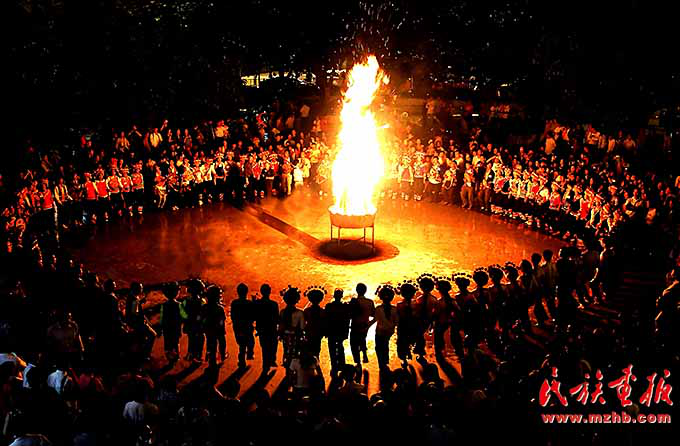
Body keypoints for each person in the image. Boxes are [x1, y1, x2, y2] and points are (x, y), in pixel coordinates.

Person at [433, 277, 461, 358]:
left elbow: (436, 313)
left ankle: (439, 350)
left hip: (442, 320)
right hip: (451, 320)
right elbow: (458, 311)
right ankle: (458, 349)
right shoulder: (452, 300)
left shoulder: (439, 302)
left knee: (438, 334)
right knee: (454, 335)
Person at [324, 288, 350, 375]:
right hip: (340, 331)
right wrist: (346, 332)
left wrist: (326, 331)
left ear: (334, 296)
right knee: (340, 347)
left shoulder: (329, 306)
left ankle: (334, 365)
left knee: (332, 349)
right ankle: (341, 364)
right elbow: (347, 320)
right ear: (341, 296)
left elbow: (326, 319)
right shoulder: (345, 306)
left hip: (331, 331)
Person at [349, 283, 375, 366]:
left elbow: (350, 314)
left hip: (355, 325)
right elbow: (374, 315)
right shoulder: (370, 302)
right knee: (362, 339)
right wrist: (369, 324)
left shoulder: (354, 301)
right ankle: (364, 354)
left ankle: (358, 361)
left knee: (354, 344)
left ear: (357, 290)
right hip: (365, 325)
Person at [254, 283, 279, 373]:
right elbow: (277, 318)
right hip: (272, 329)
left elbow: (255, 316)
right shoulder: (274, 304)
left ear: (261, 292)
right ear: (269, 292)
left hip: (262, 329)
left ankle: (266, 365)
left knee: (264, 347)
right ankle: (271, 360)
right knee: (273, 346)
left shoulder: (257, 304)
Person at [278, 286, 305, 368]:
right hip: (296, 336)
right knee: (295, 352)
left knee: (286, 350)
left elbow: (280, 326)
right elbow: (302, 327)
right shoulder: (300, 313)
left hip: (286, 335)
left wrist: (280, 334)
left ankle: (287, 363)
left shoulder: (282, 312)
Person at [181, 279, 206, 363]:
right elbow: (203, 312)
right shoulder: (202, 301)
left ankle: (190, 353)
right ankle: (198, 355)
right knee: (200, 339)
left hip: (189, 323)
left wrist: (186, 319)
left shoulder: (186, 301)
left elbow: (182, 312)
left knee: (191, 338)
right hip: (198, 324)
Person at [374, 285, 398, 370]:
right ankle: (385, 361)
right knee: (385, 345)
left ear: (380, 297)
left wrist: (366, 327)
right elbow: (397, 322)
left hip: (380, 331)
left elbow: (374, 320)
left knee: (378, 347)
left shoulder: (378, 308)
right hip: (389, 331)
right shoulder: (395, 309)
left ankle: (382, 363)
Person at [231, 283, 255, 368]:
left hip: (238, 326)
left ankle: (242, 360)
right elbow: (253, 315)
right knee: (250, 342)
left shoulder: (234, 303)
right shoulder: (249, 303)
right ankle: (249, 354)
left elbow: (233, 316)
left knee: (242, 344)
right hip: (247, 326)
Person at [203, 285, 227, 367]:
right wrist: (220, 326)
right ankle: (222, 354)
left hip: (208, 329)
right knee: (222, 342)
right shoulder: (220, 308)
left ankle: (210, 355)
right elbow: (222, 320)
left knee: (210, 342)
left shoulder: (204, 307)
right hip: (219, 330)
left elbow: (201, 318)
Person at [396, 281, 418, 367]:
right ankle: (408, 351)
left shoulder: (399, 305)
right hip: (412, 325)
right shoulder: (415, 304)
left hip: (403, 326)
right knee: (410, 340)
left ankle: (404, 358)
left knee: (402, 342)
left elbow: (398, 317)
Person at [160, 282, 182, 364]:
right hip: (176, 327)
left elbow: (162, 317)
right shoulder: (179, 305)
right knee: (175, 342)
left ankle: (169, 356)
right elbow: (183, 316)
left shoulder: (164, 305)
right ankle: (175, 356)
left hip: (166, 328)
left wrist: (160, 327)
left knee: (167, 341)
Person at [303, 286, 326, 359]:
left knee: (309, 349)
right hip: (318, 333)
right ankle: (316, 362)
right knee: (317, 350)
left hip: (309, 332)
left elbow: (303, 323)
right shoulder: (322, 311)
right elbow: (324, 323)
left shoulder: (307, 311)